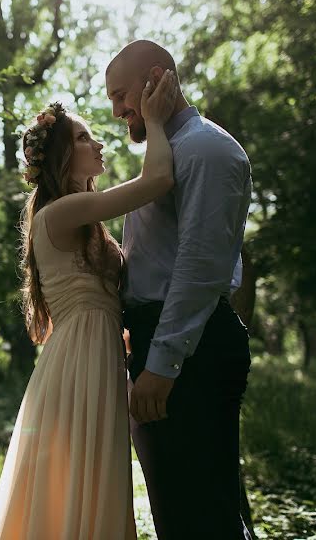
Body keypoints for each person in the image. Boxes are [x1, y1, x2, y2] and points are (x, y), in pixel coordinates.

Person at [0, 70, 181, 539]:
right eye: (85, 137)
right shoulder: (60, 211)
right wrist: (153, 119)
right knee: (81, 478)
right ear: (64, 156)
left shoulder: (84, 218)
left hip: (94, 352)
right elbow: (156, 180)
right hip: (80, 360)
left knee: (93, 477)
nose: (99, 144)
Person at [106, 39, 253, 539]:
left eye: (121, 94)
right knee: (181, 517)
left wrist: (162, 365)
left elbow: (199, 265)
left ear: (154, 78)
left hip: (189, 354)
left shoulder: (206, 149)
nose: (117, 110)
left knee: (202, 521)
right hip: (161, 344)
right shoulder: (164, 156)